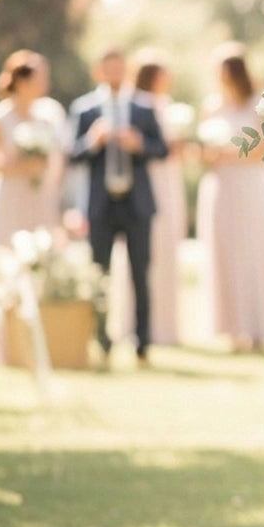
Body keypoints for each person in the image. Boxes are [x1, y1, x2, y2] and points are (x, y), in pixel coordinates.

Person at [195, 44, 264, 351]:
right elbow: (203, 152)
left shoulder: (258, 104)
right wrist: (204, 154)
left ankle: (259, 327)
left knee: (254, 251)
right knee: (225, 253)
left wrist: (225, 153)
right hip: (220, 187)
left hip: (251, 186)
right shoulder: (211, 106)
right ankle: (232, 328)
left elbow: (263, 151)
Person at [67, 48, 168, 366]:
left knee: (141, 274)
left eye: (119, 67)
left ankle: (142, 344)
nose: (114, 73)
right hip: (101, 205)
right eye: (108, 67)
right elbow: (72, 154)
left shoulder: (143, 106)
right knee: (99, 275)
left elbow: (162, 149)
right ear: (99, 70)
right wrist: (92, 142)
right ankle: (101, 342)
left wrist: (139, 144)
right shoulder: (85, 109)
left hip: (137, 204)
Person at [113, 54, 190, 346]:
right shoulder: (135, 107)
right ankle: (136, 325)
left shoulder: (167, 105)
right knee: (142, 253)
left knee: (167, 253)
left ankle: (165, 328)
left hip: (170, 183)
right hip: (146, 184)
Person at [0, 50, 63, 245]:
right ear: (22, 82)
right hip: (9, 198)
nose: (44, 84)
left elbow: (56, 162)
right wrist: (18, 168)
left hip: (38, 198)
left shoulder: (46, 117)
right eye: (38, 79)